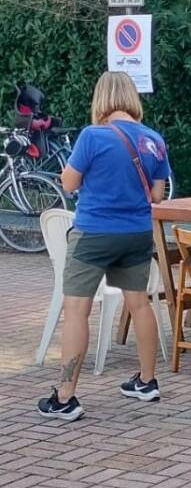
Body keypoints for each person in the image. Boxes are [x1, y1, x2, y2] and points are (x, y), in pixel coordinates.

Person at [37, 72, 170, 421]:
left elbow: (68, 183)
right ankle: (146, 380)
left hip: (94, 232)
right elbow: (157, 195)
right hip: (137, 233)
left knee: (77, 311)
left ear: (101, 99)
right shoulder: (153, 139)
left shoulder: (91, 136)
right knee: (140, 306)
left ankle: (65, 396)